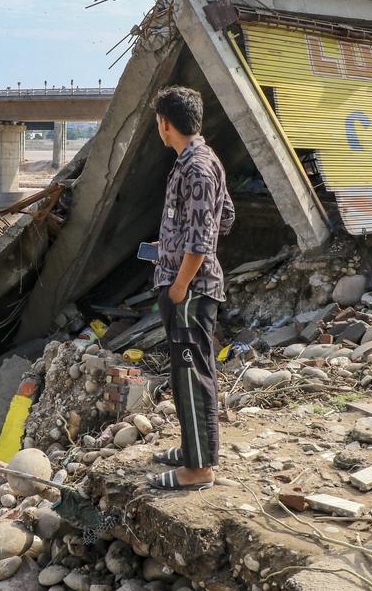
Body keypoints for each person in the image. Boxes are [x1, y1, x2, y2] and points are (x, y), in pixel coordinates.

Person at [146, 86, 235, 492]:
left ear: (165, 123)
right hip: (189, 285)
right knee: (189, 372)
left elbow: (202, 238)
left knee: (191, 373)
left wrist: (181, 284)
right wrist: (172, 244)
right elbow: (225, 216)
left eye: (157, 121)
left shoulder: (196, 168)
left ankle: (198, 470)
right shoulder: (199, 159)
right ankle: (192, 449)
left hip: (190, 293)